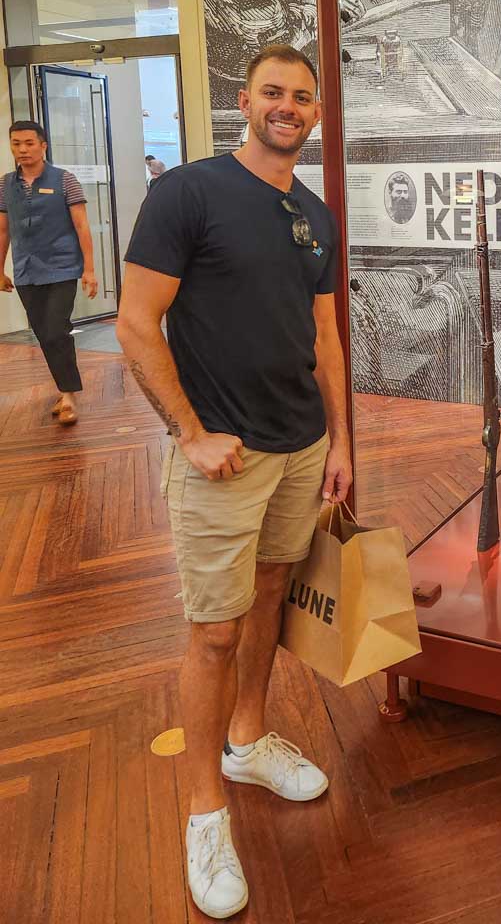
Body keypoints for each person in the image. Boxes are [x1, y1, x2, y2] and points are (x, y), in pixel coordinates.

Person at [117, 44, 352, 920]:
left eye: (301, 98)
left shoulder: (315, 215)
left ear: (316, 114)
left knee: (266, 603)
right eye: (272, 94)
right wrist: (189, 432)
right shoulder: (189, 192)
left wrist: (339, 441)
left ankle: (247, 743)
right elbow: (137, 323)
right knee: (212, 635)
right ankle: (202, 813)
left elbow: (324, 337)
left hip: (298, 451)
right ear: (244, 102)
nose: (286, 107)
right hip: (225, 458)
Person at [0, 121, 98, 425]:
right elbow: (3, 229)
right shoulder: (5, 184)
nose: (22, 149)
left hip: (62, 267)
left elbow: (82, 226)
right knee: (44, 334)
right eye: (16, 143)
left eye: (29, 143)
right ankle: (64, 388)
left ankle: (69, 394)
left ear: (43, 146)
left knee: (56, 330)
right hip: (26, 271)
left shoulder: (64, 180)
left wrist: (90, 269)